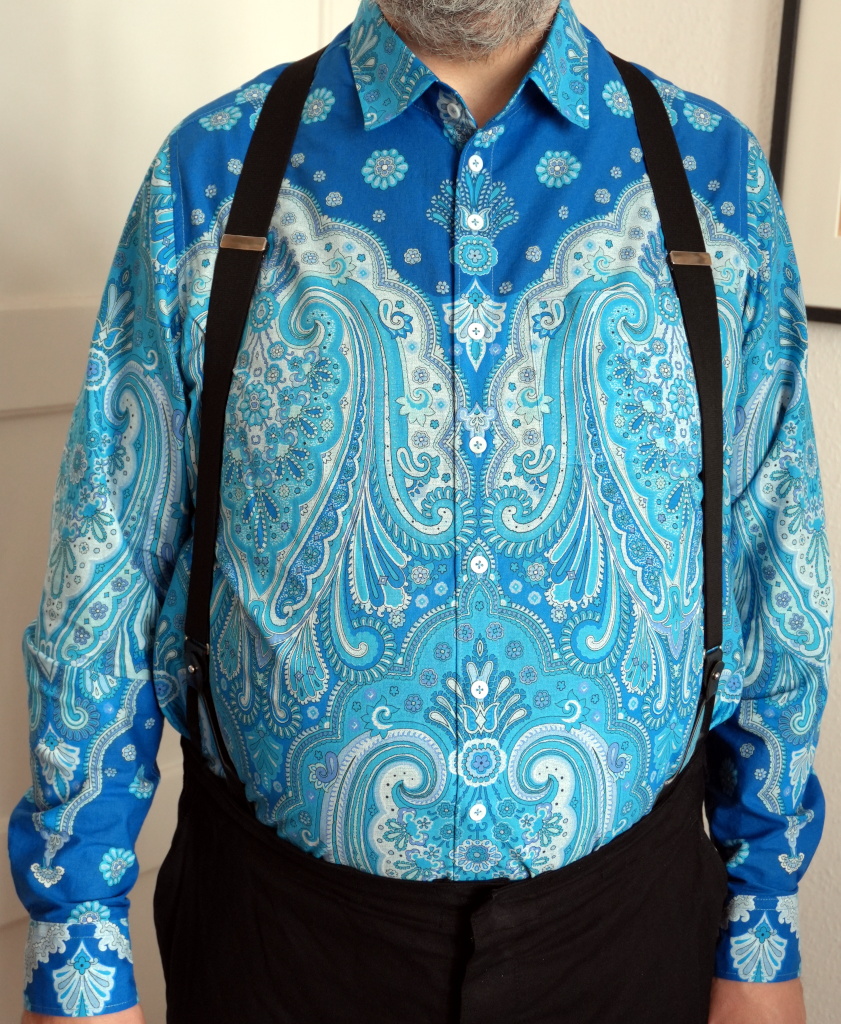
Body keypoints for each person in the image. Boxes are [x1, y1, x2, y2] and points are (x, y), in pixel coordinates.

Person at [9, 0, 832, 1022]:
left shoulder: (715, 179)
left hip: (627, 935)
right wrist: (78, 949)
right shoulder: (210, 172)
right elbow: (106, 568)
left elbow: (773, 563)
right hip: (279, 946)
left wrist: (762, 921)